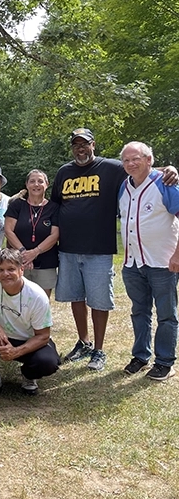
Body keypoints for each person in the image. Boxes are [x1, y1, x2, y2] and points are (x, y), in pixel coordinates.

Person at [51, 128, 177, 372]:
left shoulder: (111, 168)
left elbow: (143, 170)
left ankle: (101, 350)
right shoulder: (64, 172)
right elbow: (55, 205)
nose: (80, 148)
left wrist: (170, 170)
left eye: (84, 144)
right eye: (76, 144)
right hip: (70, 249)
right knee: (78, 298)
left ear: (93, 145)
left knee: (100, 300)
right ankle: (85, 343)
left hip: (101, 249)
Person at [0, 248, 60, 401]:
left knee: (48, 362)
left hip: (28, 340)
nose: (5, 274)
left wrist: (16, 351)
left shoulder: (37, 296)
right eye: (0, 270)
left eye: (11, 269)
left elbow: (43, 336)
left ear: (21, 269)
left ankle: (28, 375)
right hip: (0, 338)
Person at [119, 142, 179, 381]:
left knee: (166, 314)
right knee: (139, 311)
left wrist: (177, 254)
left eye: (137, 159)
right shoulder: (123, 186)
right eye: (126, 160)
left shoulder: (166, 183)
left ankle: (164, 361)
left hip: (162, 262)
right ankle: (141, 356)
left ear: (149, 160)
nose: (131, 164)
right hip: (133, 262)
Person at [4, 169, 59, 298]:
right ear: (27, 184)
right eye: (32, 181)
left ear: (47, 184)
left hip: (46, 262)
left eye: (40, 181)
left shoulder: (54, 207)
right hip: (18, 261)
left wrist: (34, 252)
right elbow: (8, 230)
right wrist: (24, 253)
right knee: (17, 299)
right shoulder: (16, 205)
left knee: (41, 301)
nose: (36, 185)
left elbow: (55, 235)